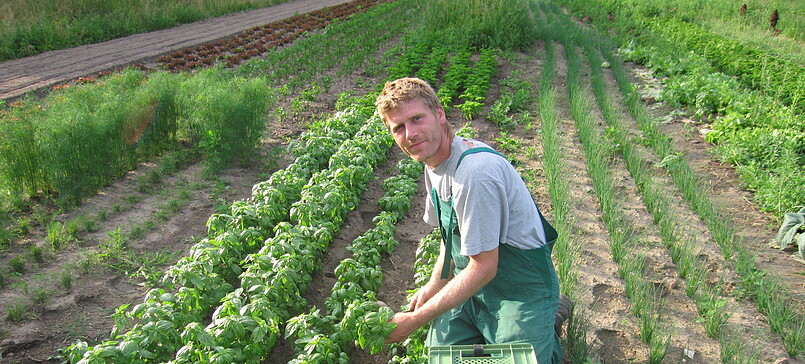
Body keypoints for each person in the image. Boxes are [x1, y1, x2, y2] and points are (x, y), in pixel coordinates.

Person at [375, 77, 569, 363]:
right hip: (474, 287)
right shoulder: (434, 164)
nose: (411, 134)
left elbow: (485, 268)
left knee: (522, 360)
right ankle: (505, 331)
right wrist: (433, 285)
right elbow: (449, 240)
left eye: (417, 119)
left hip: (519, 290)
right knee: (440, 356)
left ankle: (548, 319)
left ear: (439, 114)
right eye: (399, 127)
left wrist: (416, 319)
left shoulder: (475, 174)